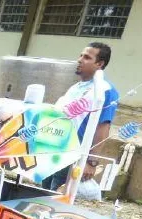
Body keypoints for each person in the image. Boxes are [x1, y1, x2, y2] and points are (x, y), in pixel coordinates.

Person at [42, 42, 119, 192]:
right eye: (80, 55)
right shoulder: (76, 87)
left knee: (56, 197)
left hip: (72, 154)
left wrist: (91, 162)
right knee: (43, 192)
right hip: (54, 150)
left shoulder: (104, 90)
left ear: (99, 63)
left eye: (87, 57)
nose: (79, 60)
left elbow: (103, 128)